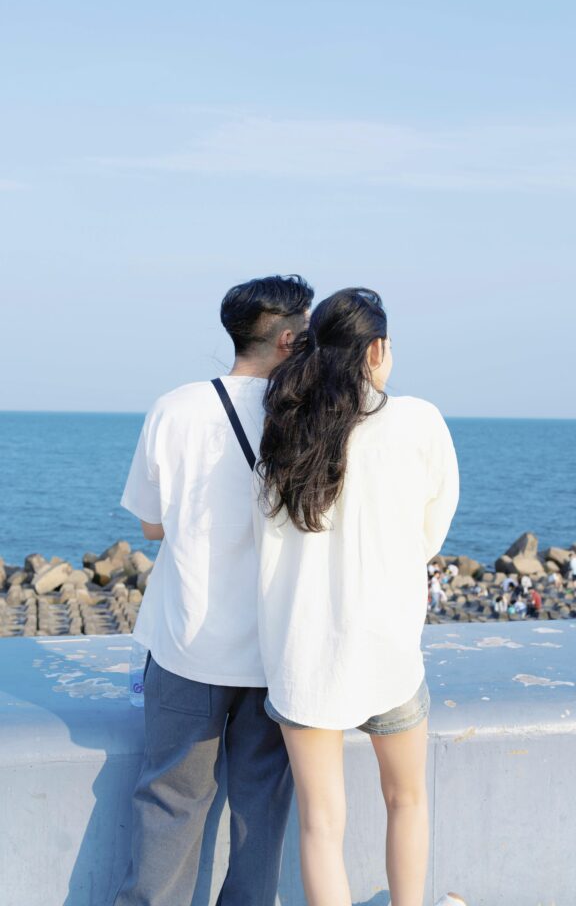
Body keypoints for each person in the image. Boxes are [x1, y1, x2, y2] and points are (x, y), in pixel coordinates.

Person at [254, 288, 460, 906]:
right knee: (407, 799)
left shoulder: (285, 424)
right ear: (377, 350)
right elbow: (432, 531)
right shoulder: (418, 420)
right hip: (388, 648)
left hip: (304, 652)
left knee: (320, 825)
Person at [113, 274, 314, 906]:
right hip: (275, 652)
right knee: (262, 804)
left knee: (170, 799)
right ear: (288, 340)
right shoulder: (312, 415)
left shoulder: (175, 408)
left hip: (187, 644)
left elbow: (151, 525)